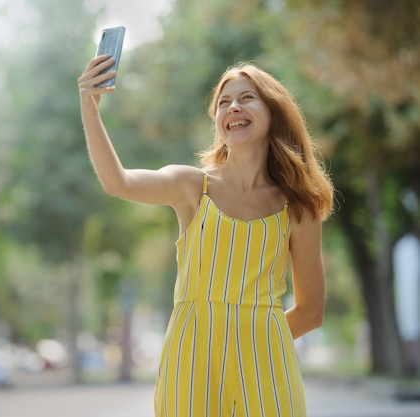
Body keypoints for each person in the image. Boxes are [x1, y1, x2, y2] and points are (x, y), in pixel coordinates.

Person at [78, 55, 334, 417]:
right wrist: (90, 108)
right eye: (223, 102)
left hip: (266, 364)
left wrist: (253, 338)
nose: (233, 107)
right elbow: (117, 182)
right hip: (190, 360)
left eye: (247, 98)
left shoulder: (299, 205)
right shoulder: (191, 187)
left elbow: (311, 311)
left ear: (273, 110)